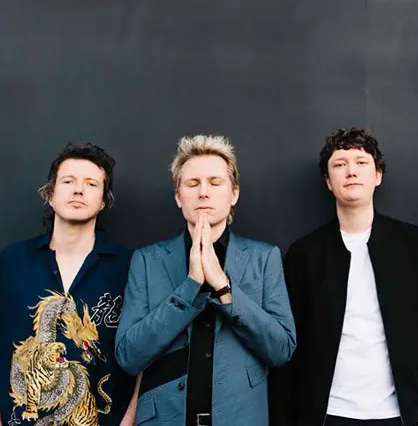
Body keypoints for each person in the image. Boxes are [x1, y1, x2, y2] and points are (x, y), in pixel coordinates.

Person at [115, 134, 295, 426]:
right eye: (192, 183)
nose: (203, 193)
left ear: (233, 194)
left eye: (215, 182)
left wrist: (224, 287)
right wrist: (190, 286)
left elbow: (281, 350)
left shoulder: (264, 258)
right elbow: (129, 356)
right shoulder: (147, 260)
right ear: (178, 197)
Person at [270, 127, 418, 426]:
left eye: (361, 162)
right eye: (340, 164)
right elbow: (292, 345)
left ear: (378, 175)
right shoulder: (304, 253)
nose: (351, 171)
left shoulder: (413, 244)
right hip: (328, 414)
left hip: (398, 414)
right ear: (328, 181)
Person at [0, 142, 138, 426]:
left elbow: (145, 356)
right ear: (50, 195)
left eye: (91, 183)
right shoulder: (13, 261)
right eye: (68, 181)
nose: (78, 190)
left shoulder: (132, 267)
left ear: (103, 201)